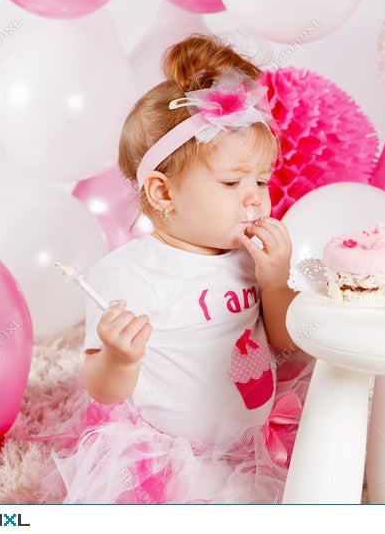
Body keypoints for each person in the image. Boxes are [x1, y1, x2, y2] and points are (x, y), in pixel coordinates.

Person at [53, 34, 312, 504]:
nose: (255, 196)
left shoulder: (249, 257)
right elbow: (103, 390)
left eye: (261, 179)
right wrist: (119, 358)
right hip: (173, 451)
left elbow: (284, 343)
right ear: (164, 194)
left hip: (251, 438)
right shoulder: (129, 275)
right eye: (232, 182)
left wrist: (275, 282)